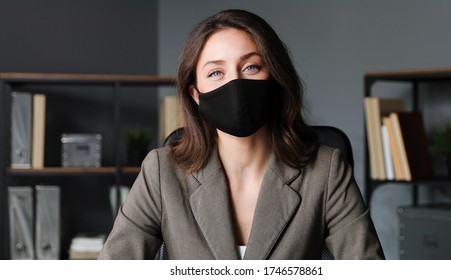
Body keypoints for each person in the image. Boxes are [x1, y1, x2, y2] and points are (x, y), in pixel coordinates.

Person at [98, 9, 384, 260]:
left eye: (250, 67)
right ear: (195, 94)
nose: (235, 84)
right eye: (215, 73)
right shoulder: (161, 172)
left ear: (275, 78)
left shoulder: (326, 170)